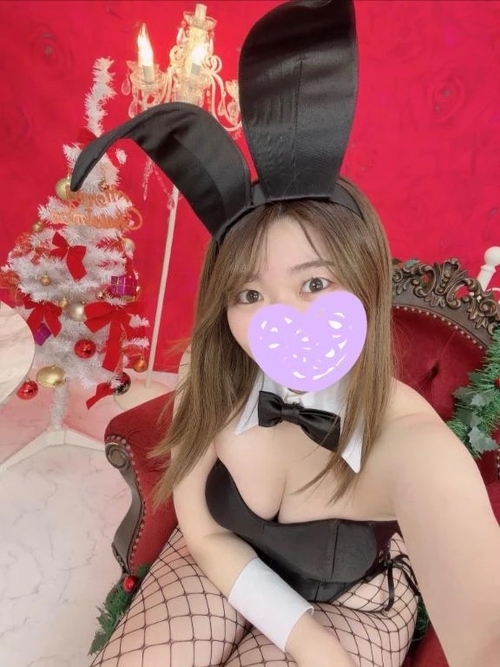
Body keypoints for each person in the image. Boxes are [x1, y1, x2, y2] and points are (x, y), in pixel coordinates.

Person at [71, 2, 500, 666]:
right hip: (222, 555)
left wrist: (325, 648)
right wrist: (302, 636)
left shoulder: (413, 445)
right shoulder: (214, 368)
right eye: (249, 294)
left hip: (357, 599)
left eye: (314, 282)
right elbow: (207, 533)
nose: (283, 320)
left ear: (365, 282)